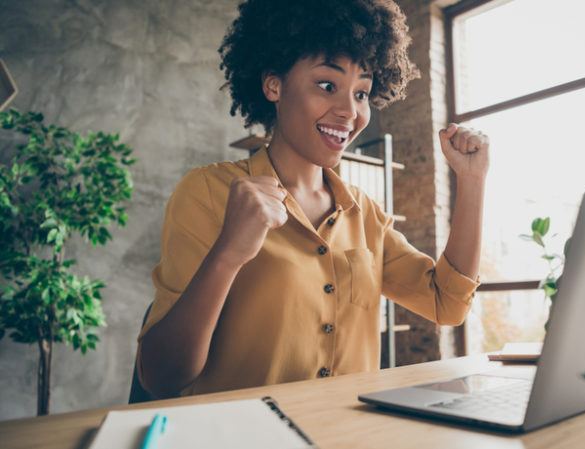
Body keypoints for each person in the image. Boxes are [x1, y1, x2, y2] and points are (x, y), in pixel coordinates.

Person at [137, 0, 490, 399]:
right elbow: (160, 376)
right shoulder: (208, 193)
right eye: (327, 85)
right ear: (274, 85)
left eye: (362, 93)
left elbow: (447, 304)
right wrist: (228, 254)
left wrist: (471, 181)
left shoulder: (365, 214)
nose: (349, 111)